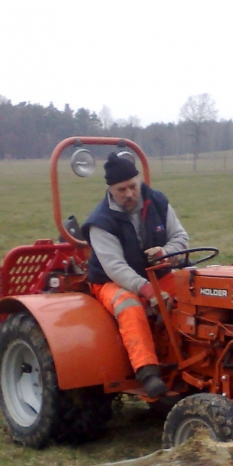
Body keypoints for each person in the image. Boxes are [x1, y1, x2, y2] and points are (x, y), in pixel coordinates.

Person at [83, 152, 189, 398]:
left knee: (194, 291)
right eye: (122, 190)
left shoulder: (159, 203)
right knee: (129, 306)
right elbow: (115, 268)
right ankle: (147, 372)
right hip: (110, 281)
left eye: (133, 186)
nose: (129, 194)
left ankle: (190, 360)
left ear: (139, 181)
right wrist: (148, 291)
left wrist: (166, 252)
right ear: (111, 190)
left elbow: (181, 238)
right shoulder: (100, 221)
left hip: (157, 273)